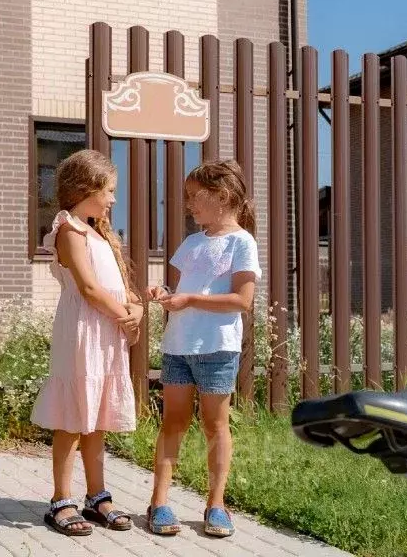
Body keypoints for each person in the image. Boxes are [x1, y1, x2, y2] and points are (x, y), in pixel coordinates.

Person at [30, 149, 145, 537]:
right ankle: (61, 499)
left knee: (96, 417)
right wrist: (122, 314)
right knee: (73, 418)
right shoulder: (68, 228)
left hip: (104, 334)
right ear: (86, 188)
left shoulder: (98, 232)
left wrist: (136, 311)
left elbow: (120, 289)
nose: (114, 199)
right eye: (109, 190)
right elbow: (89, 287)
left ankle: (97, 496)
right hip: (82, 333)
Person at [147, 159, 261, 539]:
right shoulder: (192, 243)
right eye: (187, 198)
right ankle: (159, 502)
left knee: (215, 425)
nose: (189, 204)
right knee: (172, 423)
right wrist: (164, 294)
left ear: (222, 196)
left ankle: (216, 504)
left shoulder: (241, 242)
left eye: (195, 197)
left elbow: (242, 300)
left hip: (216, 349)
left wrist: (191, 299)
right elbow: (181, 292)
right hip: (178, 346)